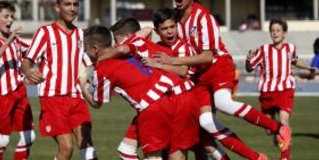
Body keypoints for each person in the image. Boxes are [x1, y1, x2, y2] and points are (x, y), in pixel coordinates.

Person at [155, 0, 291, 158]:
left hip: (218, 66)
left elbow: (208, 56)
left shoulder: (203, 17)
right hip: (199, 76)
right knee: (206, 122)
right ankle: (257, 157)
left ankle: (278, 128)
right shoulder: (177, 19)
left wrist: (173, 60)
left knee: (223, 103)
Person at [110, 15, 265, 160]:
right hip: (169, 103)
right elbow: (148, 31)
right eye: (164, 29)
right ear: (158, 31)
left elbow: (184, 70)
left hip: (187, 99)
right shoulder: (154, 47)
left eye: (172, 27)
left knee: (203, 143)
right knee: (199, 144)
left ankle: (256, 156)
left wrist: (159, 63)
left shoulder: (183, 46)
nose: (169, 31)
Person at [82, 25, 198, 160]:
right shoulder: (127, 49)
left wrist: (83, 84)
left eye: (85, 49)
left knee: (155, 157)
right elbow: (146, 30)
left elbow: (97, 102)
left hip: (153, 107)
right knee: (126, 150)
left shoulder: (102, 69)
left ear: (95, 49)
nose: (84, 52)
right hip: (171, 96)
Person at [22, 0, 97, 160]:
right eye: (67, 4)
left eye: (76, 4)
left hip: (76, 98)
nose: (72, 9)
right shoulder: (45, 33)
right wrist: (28, 72)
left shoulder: (81, 34)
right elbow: (27, 61)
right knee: (67, 148)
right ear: (57, 7)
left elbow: (86, 65)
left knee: (87, 145)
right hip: (52, 98)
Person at [245, 18, 315, 160]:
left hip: (285, 89)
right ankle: (276, 135)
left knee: (284, 122)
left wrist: (308, 67)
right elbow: (249, 68)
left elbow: (295, 61)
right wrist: (248, 60)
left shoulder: (290, 48)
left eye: (278, 30)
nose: (275, 33)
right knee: (268, 129)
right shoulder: (263, 50)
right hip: (267, 92)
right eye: (272, 31)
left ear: (284, 33)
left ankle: (284, 158)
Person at [0, 1, 35, 160]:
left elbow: (33, 50)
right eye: (6, 16)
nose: (10, 20)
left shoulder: (16, 41)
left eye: (11, 16)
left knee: (29, 137)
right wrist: (7, 42)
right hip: (2, 95)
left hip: (20, 91)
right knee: (2, 140)